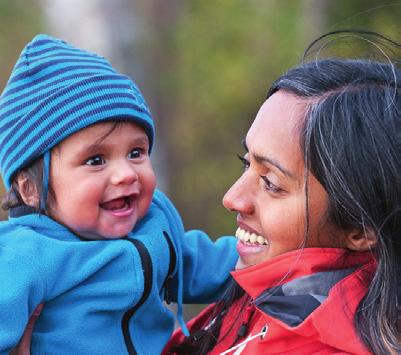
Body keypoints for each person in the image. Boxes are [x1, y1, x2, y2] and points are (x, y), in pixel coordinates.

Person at [0, 34, 239, 355]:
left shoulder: (154, 224)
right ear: (30, 189)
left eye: (136, 152)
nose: (126, 173)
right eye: (96, 160)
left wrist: (279, 250)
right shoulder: (7, 259)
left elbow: (216, 266)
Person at [164, 31, 401, 354]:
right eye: (246, 163)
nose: (232, 198)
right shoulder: (276, 297)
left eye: (271, 183)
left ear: (360, 229)